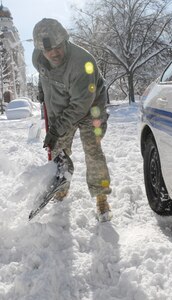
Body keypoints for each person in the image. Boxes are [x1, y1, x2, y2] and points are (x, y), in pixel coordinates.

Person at [32, 18, 112, 222]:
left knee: (92, 150)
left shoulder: (81, 63)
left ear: (65, 41)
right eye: (48, 50)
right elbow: (43, 76)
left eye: (58, 47)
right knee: (59, 151)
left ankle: (101, 197)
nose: (54, 53)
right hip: (62, 107)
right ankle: (61, 188)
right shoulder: (38, 57)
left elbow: (79, 107)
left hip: (90, 107)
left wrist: (56, 129)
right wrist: (42, 92)